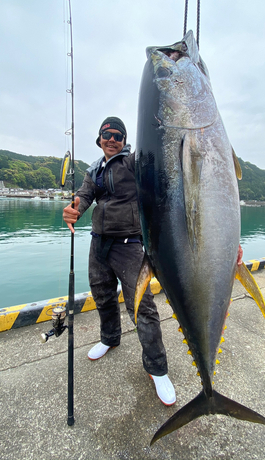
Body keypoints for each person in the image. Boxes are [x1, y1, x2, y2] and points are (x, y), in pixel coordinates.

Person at [63, 116, 176, 406]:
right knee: (102, 295)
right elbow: (84, 197)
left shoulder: (133, 162)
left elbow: (156, 157)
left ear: (125, 140)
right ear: (99, 139)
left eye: (118, 135)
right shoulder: (94, 170)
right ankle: (110, 337)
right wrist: (74, 208)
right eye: (106, 134)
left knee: (142, 306)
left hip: (129, 245)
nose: (111, 139)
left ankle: (157, 368)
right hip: (99, 241)